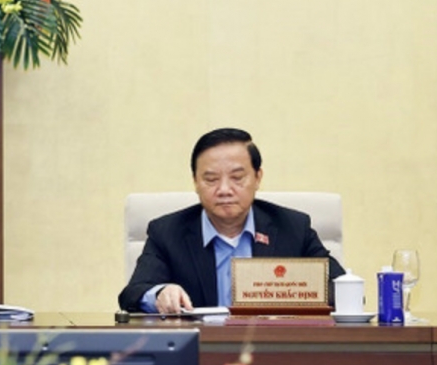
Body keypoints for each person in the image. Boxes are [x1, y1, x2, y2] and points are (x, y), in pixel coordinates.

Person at [119, 128, 345, 314]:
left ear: (258, 178)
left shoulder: (292, 227)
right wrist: (160, 294)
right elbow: (133, 293)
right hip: (200, 352)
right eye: (211, 179)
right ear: (195, 182)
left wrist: (295, 293)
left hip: (274, 351)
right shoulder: (167, 232)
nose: (225, 190)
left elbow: (342, 289)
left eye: (237, 178)